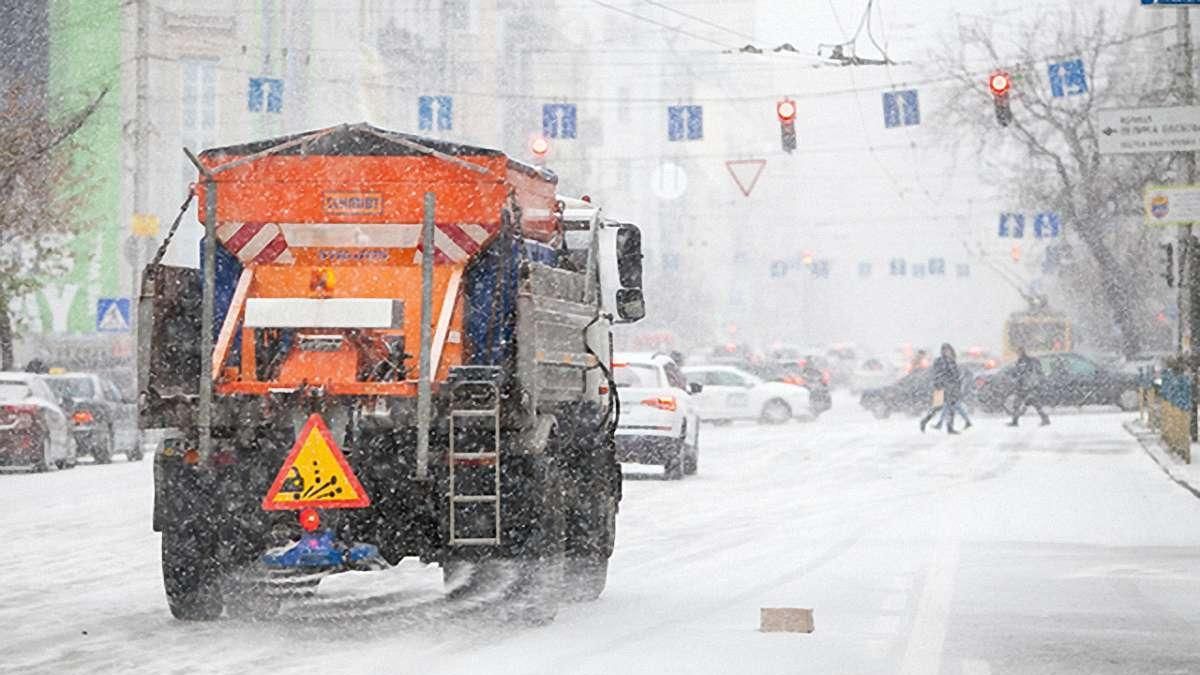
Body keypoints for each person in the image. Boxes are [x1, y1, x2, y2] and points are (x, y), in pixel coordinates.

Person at [920, 343, 961, 434]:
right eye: (945, 350)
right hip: (941, 387)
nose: (947, 352)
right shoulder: (939, 361)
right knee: (937, 407)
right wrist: (940, 383)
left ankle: (950, 427)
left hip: (952, 388)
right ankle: (924, 421)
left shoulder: (952, 361)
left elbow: (956, 375)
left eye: (948, 350)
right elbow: (937, 374)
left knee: (951, 407)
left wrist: (957, 386)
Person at [1008, 347, 1050, 426]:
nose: (1018, 354)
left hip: (1028, 386)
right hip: (1023, 386)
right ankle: (1015, 421)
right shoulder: (1020, 362)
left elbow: (1029, 373)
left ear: (1023, 352)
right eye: (1018, 352)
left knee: (1032, 403)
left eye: (1019, 352)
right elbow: (1017, 373)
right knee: (1020, 404)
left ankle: (1045, 419)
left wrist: (1032, 382)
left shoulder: (1028, 361)